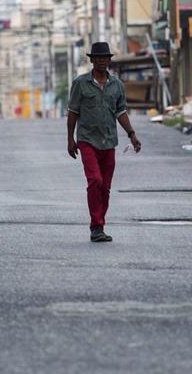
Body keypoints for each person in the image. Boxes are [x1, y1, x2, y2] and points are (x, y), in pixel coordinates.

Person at [66, 41, 140, 243]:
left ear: (109, 60)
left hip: (109, 142)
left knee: (105, 187)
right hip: (87, 140)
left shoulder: (117, 85)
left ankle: (100, 224)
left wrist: (131, 134)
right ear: (92, 60)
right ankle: (96, 226)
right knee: (95, 181)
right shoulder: (80, 83)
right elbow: (73, 112)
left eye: (104, 58)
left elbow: (121, 112)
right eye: (97, 58)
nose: (101, 61)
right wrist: (70, 139)